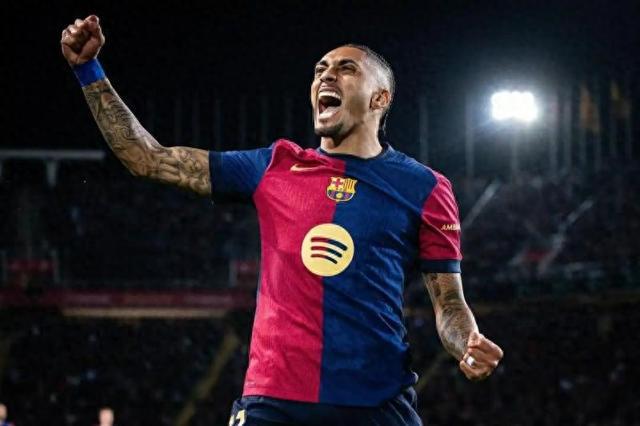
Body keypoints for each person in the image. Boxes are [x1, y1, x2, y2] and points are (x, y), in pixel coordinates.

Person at [61, 15, 504, 426]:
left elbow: (448, 303)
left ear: (380, 98)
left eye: (346, 68)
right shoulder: (274, 166)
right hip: (274, 404)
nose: (326, 76)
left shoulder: (426, 187)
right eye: (320, 70)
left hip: (378, 402)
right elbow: (146, 158)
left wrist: (466, 343)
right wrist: (88, 71)